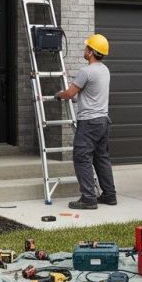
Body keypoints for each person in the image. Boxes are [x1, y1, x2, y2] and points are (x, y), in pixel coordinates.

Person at [54, 34, 117, 210]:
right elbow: (90, 94)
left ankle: (89, 198)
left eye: (86, 47)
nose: (84, 50)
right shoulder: (105, 70)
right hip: (103, 121)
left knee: (82, 158)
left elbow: (69, 94)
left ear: (91, 52)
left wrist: (59, 94)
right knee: (101, 158)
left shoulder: (86, 72)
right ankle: (109, 195)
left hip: (89, 123)